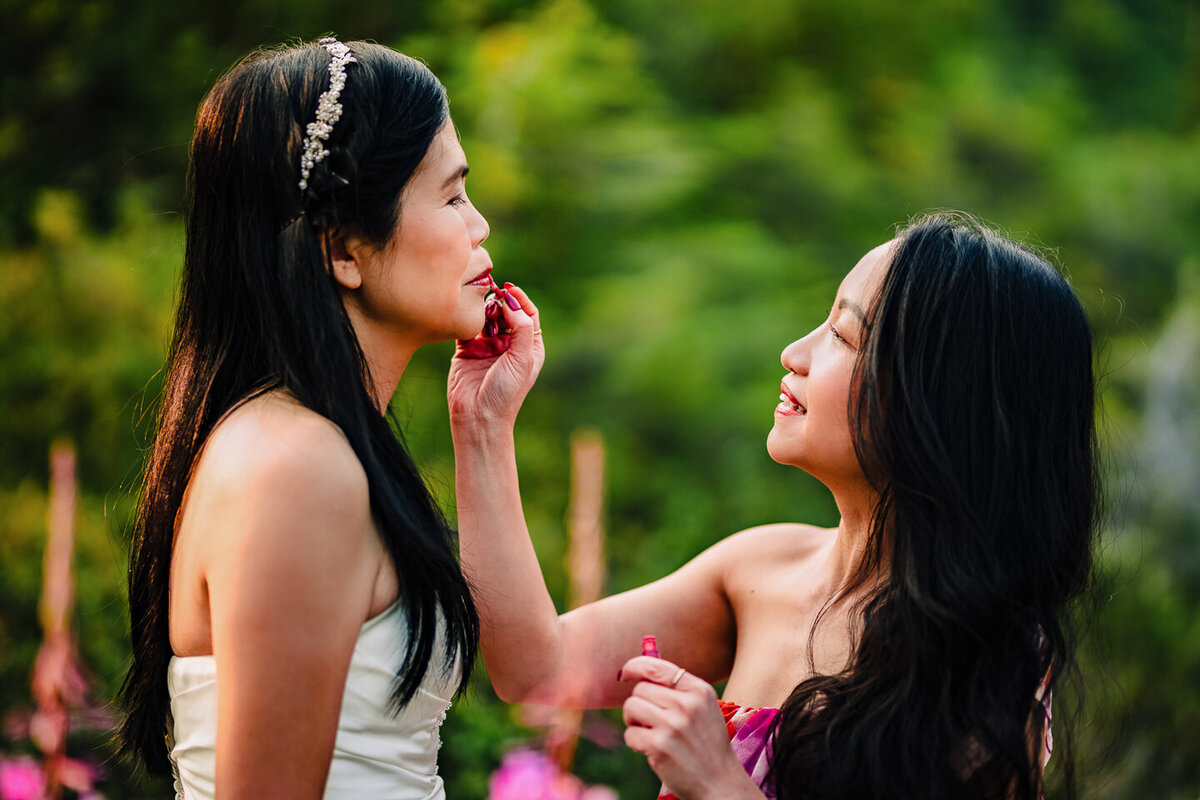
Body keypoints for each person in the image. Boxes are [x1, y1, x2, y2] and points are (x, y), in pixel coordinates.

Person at [447, 213, 1099, 800]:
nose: (796, 353)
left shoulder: (989, 661)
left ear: (941, 404)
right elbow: (535, 672)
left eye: (843, 335)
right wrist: (481, 423)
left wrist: (717, 781)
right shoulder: (759, 569)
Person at [118, 37, 526, 799]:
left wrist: (484, 424)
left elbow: (528, 673)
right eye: (451, 195)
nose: (481, 228)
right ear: (343, 247)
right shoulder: (295, 467)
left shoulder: (309, 444)